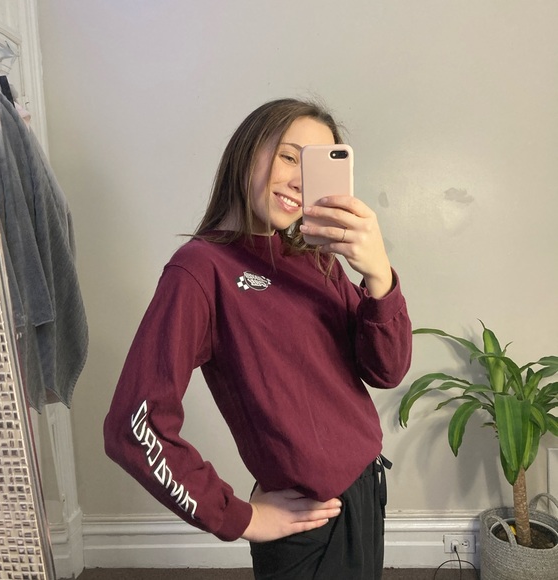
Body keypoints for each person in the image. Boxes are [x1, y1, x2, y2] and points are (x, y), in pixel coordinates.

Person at [103, 98, 412, 579]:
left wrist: (378, 276)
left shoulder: (318, 258)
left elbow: (386, 370)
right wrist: (240, 517)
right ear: (247, 150)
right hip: (311, 526)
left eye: (313, 168)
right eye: (289, 157)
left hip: (366, 490)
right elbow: (133, 425)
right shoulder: (200, 270)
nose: (299, 182)